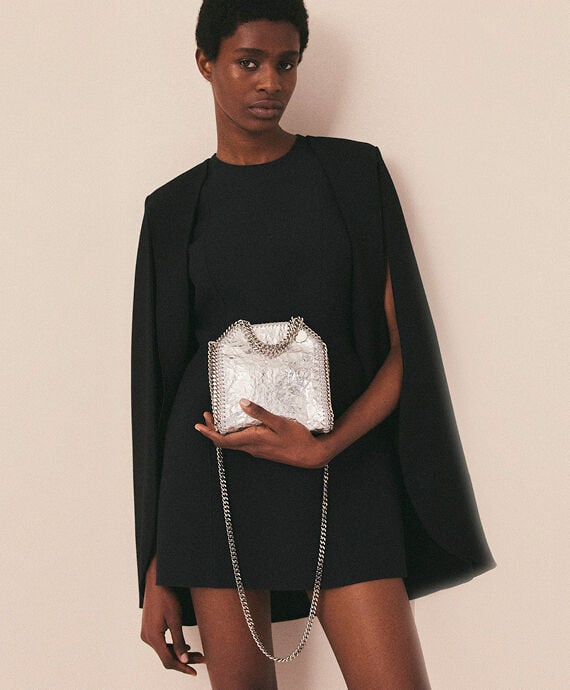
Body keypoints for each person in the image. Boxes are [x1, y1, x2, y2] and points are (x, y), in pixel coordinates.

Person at [131, 1, 495, 687]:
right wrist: (158, 564)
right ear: (205, 63)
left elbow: (406, 347)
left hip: (344, 465)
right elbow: (162, 387)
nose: (271, 82)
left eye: (287, 62)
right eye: (248, 62)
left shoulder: (353, 175)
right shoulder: (173, 209)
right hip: (215, 486)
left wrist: (328, 444)